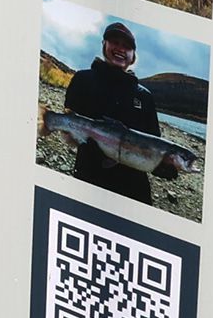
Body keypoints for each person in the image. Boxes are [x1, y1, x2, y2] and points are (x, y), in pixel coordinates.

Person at [65, 22, 164, 205]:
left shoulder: (145, 97)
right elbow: (70, 121)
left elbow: (154, 142)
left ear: (133, 56)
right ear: (104, 44)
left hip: (134, 190)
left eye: (127, 46)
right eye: (115, 42)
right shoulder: (82, 79)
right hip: (89, 178)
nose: (120, 49)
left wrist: (161, 165)